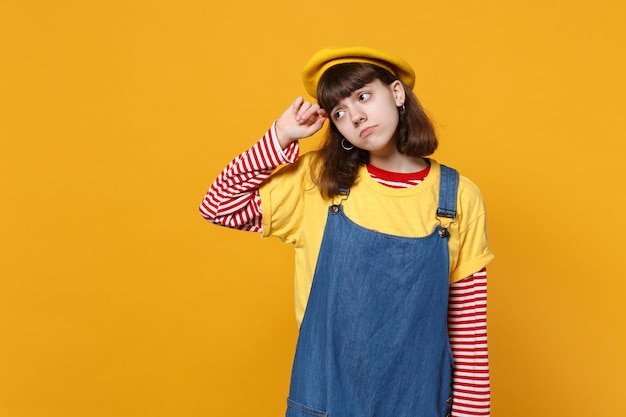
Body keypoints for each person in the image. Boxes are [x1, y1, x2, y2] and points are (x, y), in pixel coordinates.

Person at [199, 46, 495, 417]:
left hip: (419, 404)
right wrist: (281, 136)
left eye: (363, 96)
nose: (355, 116)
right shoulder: (318, 183)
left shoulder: (459, 197)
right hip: (325, 402)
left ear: (397, 93)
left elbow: (468, 331)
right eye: (339, 112)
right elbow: (218, 205)